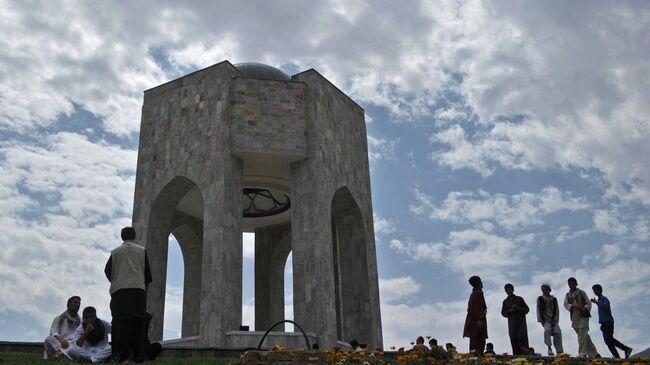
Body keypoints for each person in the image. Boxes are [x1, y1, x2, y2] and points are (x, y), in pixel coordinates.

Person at [104, 226, 152, 363]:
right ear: (134, 236)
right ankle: (139, 355)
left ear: (122, 237)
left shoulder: (115, 252)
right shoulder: (142, 251)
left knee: (119, 323)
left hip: (119, 292)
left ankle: (119, 354)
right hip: (138, 291)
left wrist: (117, 279)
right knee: (138, 323)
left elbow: (107, 271)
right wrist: (144, 292)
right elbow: (147, 276)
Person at [590, 284, 633, 359]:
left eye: (595, 290)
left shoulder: (604, 299)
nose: (595, 292)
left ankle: (626, 349)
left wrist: (596, 303)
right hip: (604, 323)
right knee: (608, 341)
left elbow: (606, 307)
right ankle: (617, 356)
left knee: (609, 339)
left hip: (608, 322)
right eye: (594, 290)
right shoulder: (600, 300)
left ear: (600, 290)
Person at [563, 277, 599, 358]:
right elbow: (565, 304)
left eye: (572, 283)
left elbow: (588, 303)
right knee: (584, 336)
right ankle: (595, 354)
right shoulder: (568, 295)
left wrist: (584, 308)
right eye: (569, 284)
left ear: (576, 284)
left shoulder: (581, 292)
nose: (571, 285)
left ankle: (582, 353)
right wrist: (573, 306)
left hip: (583, 315)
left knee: (582, 335)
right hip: (575, 317)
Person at [501, 283, 531, 355]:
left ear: (513, 289)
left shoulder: (519, 299)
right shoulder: (505, 302)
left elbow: (527, 309)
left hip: (521, 324)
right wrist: (510, 310)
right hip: (512, 325)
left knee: (523, 342)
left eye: (509, 289)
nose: (508, 291)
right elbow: (503, 313)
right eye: (506, 290)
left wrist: (518, 308)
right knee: (514, 342)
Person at [463, 275, 488, 355]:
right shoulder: (478, 294)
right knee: (479, 344)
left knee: (474, 344)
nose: (482, 283)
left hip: (473, 323)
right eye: (481, 281)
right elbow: (479, 308)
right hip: (476, 323)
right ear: (478, 283)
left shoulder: (473, 294)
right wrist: (480, 320)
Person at [537, 283, 563, 356]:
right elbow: (538, 309)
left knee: (557, 332)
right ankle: (549, 349)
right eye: (543, 289)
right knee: (547, 331)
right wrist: (541, 320)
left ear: (549, 290)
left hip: (554, 319)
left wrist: (555, 320)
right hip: (545, 320)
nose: (545, 291)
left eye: (546, 289)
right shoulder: (540, 299)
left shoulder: (554, 299)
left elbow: (557, 310)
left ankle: (559, 351)